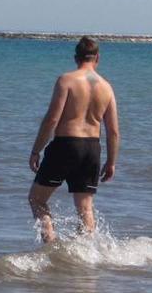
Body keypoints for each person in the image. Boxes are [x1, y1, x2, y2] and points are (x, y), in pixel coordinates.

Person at [28, 36, 119, 242]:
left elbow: (52, 119)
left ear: (75, 57)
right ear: (98, 57)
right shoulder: (107, 87)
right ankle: (85, 254)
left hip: (66, 145)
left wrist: (36, 150)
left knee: (37, 199)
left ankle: (50, 245)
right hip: (92, 148)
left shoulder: (66, 80)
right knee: (85, 208)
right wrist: (111, 161)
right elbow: (113, 131)